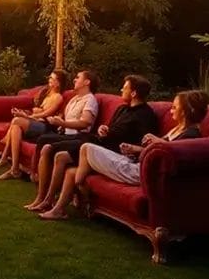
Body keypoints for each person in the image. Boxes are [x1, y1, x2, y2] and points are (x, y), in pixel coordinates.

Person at [39, 90, 209, 220]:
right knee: (75, 163)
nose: (171, 111)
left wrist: (157, 141)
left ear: (186, 110)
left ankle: (82, 187)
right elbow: (157, 150)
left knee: (86, 148)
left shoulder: (191, 135)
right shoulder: (177, 129)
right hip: (135, 161)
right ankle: (58, 209)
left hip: (140, 173)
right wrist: (135, 149)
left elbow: (172, 154)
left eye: (175, 107)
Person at [26, 74, 158, 212]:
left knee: (59, 155)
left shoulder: (145, 115)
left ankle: (48, 201)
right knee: (48, 146)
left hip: (110, 151)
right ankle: (44, 198)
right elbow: (111, 129)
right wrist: (104, 129)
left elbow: (145, 143)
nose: (120, 90)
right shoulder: (122, 109)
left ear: (134, 93)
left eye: (124, 88)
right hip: (98, 140)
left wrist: (131, 148)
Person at [0, 70, 69, 180]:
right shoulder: (46, 93)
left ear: (59, 83)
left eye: (52, 78)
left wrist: (25, 116)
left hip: (45, 126)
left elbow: (45, 114)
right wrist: (25, 113)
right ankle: (14, 169)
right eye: (50, 78)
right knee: (15, 127)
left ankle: (4, 157)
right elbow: (36, 111)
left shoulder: (58, 97)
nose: (49, 80)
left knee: (16, 121)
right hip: (36, 122)